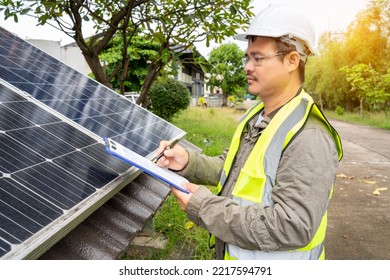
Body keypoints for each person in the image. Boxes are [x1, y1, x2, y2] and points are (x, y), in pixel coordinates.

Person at [156, 4, 343, 260]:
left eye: (258, 58)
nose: (247, 66)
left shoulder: (309, 135)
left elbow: (292, 226)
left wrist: (205, 206)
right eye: (248, 57)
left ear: (291, 60)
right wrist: (188, 161)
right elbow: (232, 169)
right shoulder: (257, 116)